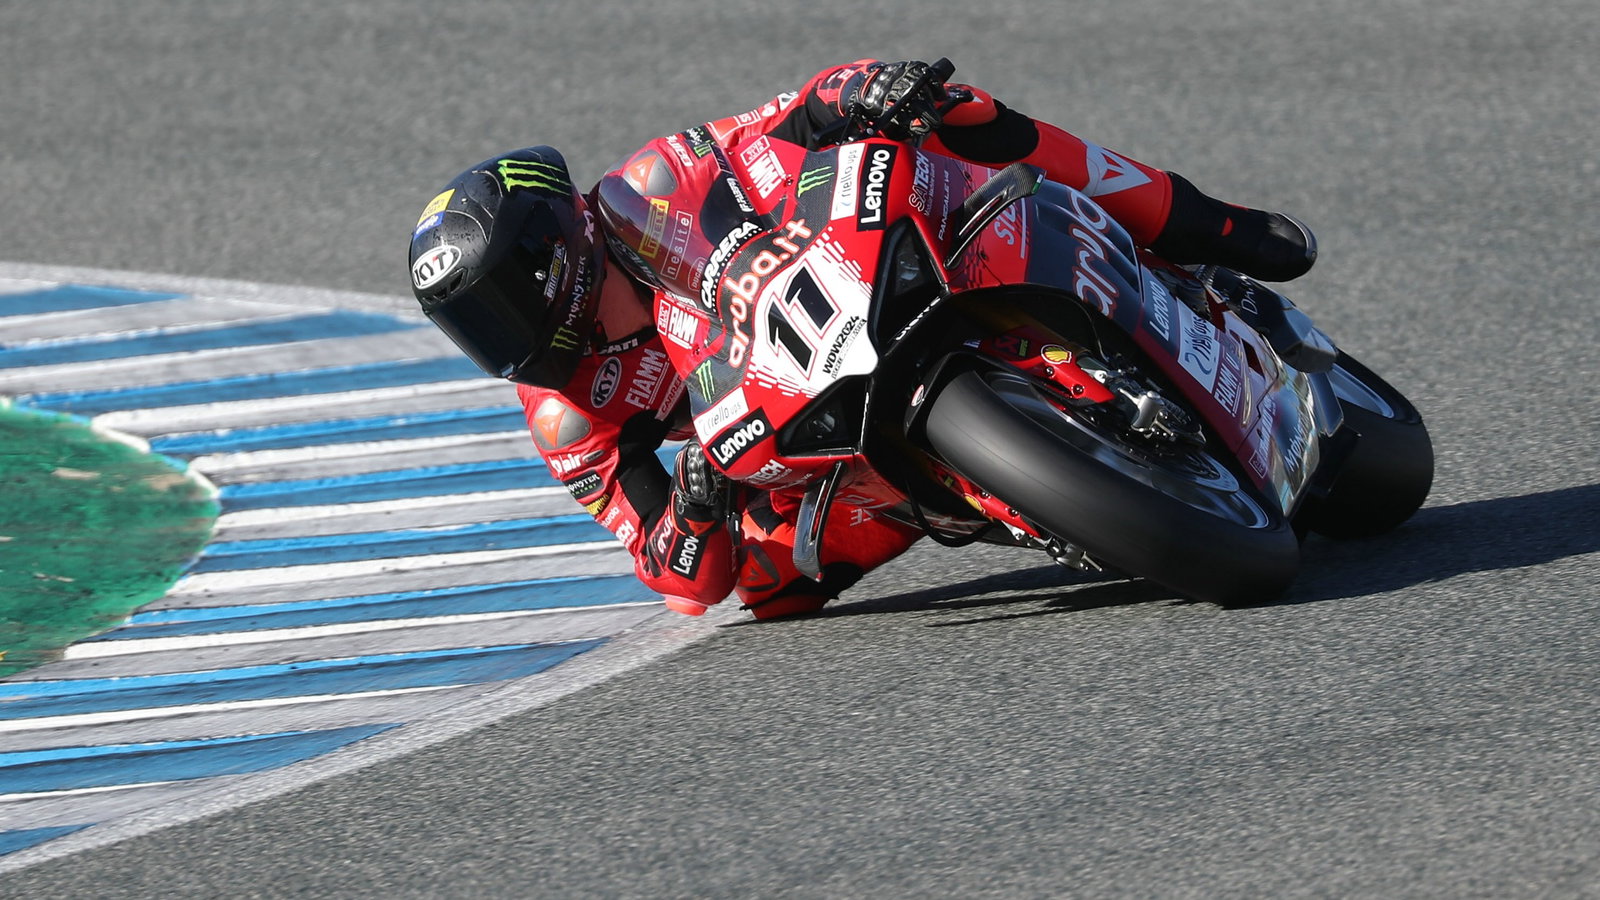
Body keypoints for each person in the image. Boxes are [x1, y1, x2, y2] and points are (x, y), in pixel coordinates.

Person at [406, 59, 1319, 620]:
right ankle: (1014, 490)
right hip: (785, 431)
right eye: (472, 328)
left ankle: (1191, 218)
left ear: (551, 251)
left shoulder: (651, 187)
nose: (502, 340)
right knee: (768, 588)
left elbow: (784, 121)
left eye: (499, 305)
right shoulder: (567, 420)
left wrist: (856, 94)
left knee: (942, 107)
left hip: (852, 268)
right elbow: (677, 573)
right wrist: (688, 505)